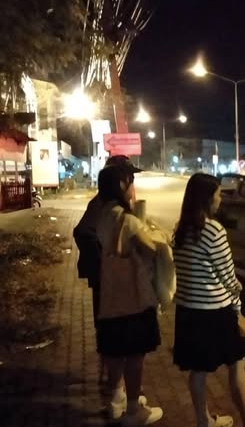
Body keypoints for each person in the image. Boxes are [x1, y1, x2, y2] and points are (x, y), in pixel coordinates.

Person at [172, 173, 245, 427]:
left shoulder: (181, 229)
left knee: (198, 370)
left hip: (188, 309)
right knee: (236, 363)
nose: (221, 199)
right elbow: (228, 275)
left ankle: (204, 421)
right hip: (214, 310)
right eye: (218, 194)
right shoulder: (213, 230)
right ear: (207, 199)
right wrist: (237, 293)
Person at [95, 165, 163, 426]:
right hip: (133, 298)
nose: (134, 188)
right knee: (135, 356)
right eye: (131, 182)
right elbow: (151, 250)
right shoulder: (128, 221)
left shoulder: (104, 215)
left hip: (110, 297)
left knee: (115, 352)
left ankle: (116, 401)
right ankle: (134, 411)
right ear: (122, 185)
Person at [73, 155, 143, 392]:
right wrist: (107, 262)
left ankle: (115, 385)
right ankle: (115, 387)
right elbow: (83, 232)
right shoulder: (103, 204)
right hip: (107, 280)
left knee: (112, 329)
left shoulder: (111, 204)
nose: (133, 183)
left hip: (111, 278)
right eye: (129, 178)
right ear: (119, 181)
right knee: (111, 330)